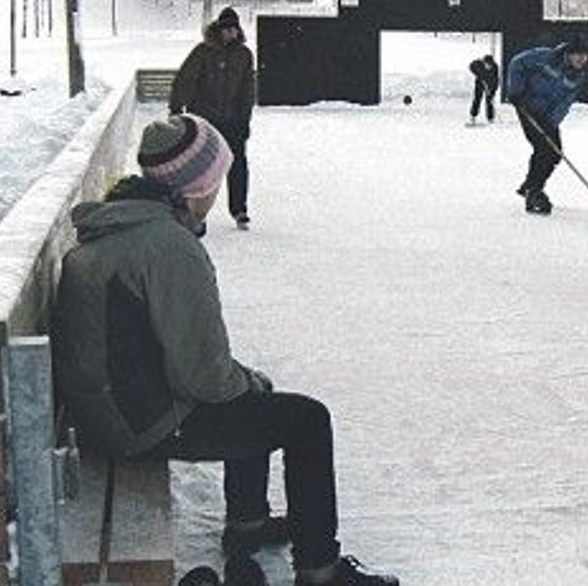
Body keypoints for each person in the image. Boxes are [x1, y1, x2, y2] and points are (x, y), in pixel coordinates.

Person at [51, 114, 399, 586]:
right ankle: (320, 567)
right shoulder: (168, 246)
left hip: (111, 412)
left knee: (253, 393)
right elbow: (206, 379)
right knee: (306, 420)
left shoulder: (126, 227)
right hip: (139, 424)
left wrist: (246, 384)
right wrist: (247, 383)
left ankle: (247, 525)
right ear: (196, 188)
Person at [170, 6, 256, 231]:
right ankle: (195, 212)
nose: (231, 33)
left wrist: (245, 121)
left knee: (237, 163)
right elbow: (185, 79)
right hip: (205, 120)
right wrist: (176, 109)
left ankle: (240, 209)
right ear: (219, 29)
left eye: (234, 29)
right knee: (201, 168)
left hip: (233, 120)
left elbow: (247, 91)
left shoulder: (245, 55)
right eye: (226, 29)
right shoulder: (203, 51)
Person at [505, 34, 588, 214]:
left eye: (585, 55)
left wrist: (551, 122)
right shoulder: (545, 58)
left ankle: (531, 185)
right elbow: (517, 63)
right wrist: (515, 91)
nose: (582, 59)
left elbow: (565, 103)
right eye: (578, 55)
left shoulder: (577, 76)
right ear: (568, 54)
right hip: (526, 106)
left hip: (546, 116)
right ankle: (534, 192)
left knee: (555, 153)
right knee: (544, 149)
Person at [467, 54, 499, 124]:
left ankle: (490, 118)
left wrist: (493, 90)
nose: (488, 66)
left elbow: (496, 79)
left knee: (489, 101)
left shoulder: (495, 67)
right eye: (487, 65)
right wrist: (479, 74)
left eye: (490, 65)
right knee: (477, 99)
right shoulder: (478, 64)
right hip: (480, 83)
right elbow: (471, 66)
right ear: (484, 63)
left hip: (490, 84)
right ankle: (473, 115)